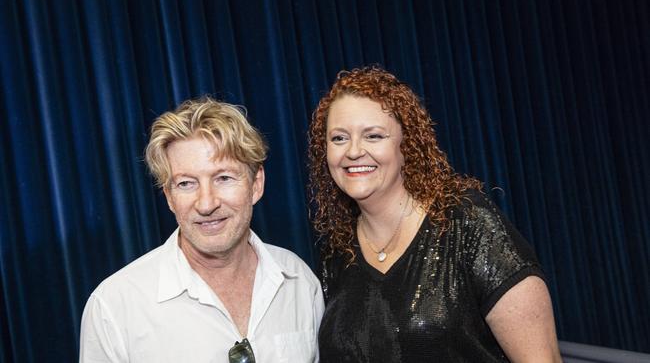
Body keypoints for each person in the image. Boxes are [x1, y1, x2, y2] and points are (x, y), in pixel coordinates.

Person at [308, 67, 561, 362]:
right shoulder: (336, 253)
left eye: (373, 136)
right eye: (338, 138)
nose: (353, 151)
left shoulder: (467, 224)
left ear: (407, 146)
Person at [80, 97, 324, 362]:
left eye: (223, 178)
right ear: (169, 197)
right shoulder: (114, 307)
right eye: (186, 183)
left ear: (256, 184)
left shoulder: (298, 281)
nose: (206, 203)